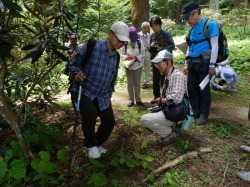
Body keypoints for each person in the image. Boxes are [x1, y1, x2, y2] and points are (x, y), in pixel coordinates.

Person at [68, 21, 130, 159]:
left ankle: (95, 143)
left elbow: (112, 76)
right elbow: (73, 63)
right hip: (83, 90)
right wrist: (77, 74)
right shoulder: (92, 46)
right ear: (109, 34)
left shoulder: (116, 56)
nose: (121, 43)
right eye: (119, 39)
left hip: (101, 95)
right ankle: (90, 145)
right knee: (90, 113)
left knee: (109, 121)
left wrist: (108, 93)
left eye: (124, 41)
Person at [180, 1, 219, 124]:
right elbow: (189, 47)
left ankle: (204, 113)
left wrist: (212, 65)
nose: (187, 21)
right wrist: (186, 63)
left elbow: (215, 46)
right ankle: (195, 110)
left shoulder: (210, 25)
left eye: (188, 18)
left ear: (195, 13)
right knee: (192, 88)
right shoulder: (191, 29)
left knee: (204, 89)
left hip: (205, 63)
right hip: (192, 63)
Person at [141, 50, 187, 146]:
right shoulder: (168, 76)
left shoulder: (178, 76)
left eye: (159, 64)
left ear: (168, 62)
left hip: (176, 112)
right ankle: (173, 127)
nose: (157, 67)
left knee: (145, 119)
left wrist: (161, 100)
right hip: (171, 109)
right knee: (151, 114)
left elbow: (177, 98)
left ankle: (170, 133)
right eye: (156, 65)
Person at [149, 16, 175, 104]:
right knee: (155, 80)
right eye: (152, 26)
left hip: (165, 61)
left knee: (165, 79)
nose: (154, 28)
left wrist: (162, 48)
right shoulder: (152, 36)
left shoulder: (166, 34)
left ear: (160, 25)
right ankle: (156, 97)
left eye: (156, 25)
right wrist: (151, 46)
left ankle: (165, 97)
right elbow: (150, 49)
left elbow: (172, 46)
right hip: (155, 61)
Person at [121, 26, 145, 107]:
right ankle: (131, 100)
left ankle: (138, 100)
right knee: (130, 84)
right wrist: (126, 57)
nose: (132, 40)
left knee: (137, 83)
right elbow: (122, 54)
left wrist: (136, 57)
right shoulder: (125, 43)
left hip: (138, 66)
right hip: (128, 66)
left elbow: (143, 54)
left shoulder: (140, 43)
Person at [138, 22, 151, 89]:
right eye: (144, 28)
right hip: (140, 53)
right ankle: (142, 83)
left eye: (147, 28)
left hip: (148, 53)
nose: (146, 29)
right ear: (142, 28)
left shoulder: (149, 35)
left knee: (147, 67)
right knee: (141, 67)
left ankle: (147, 82)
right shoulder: (138, 35)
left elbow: (150, 44)